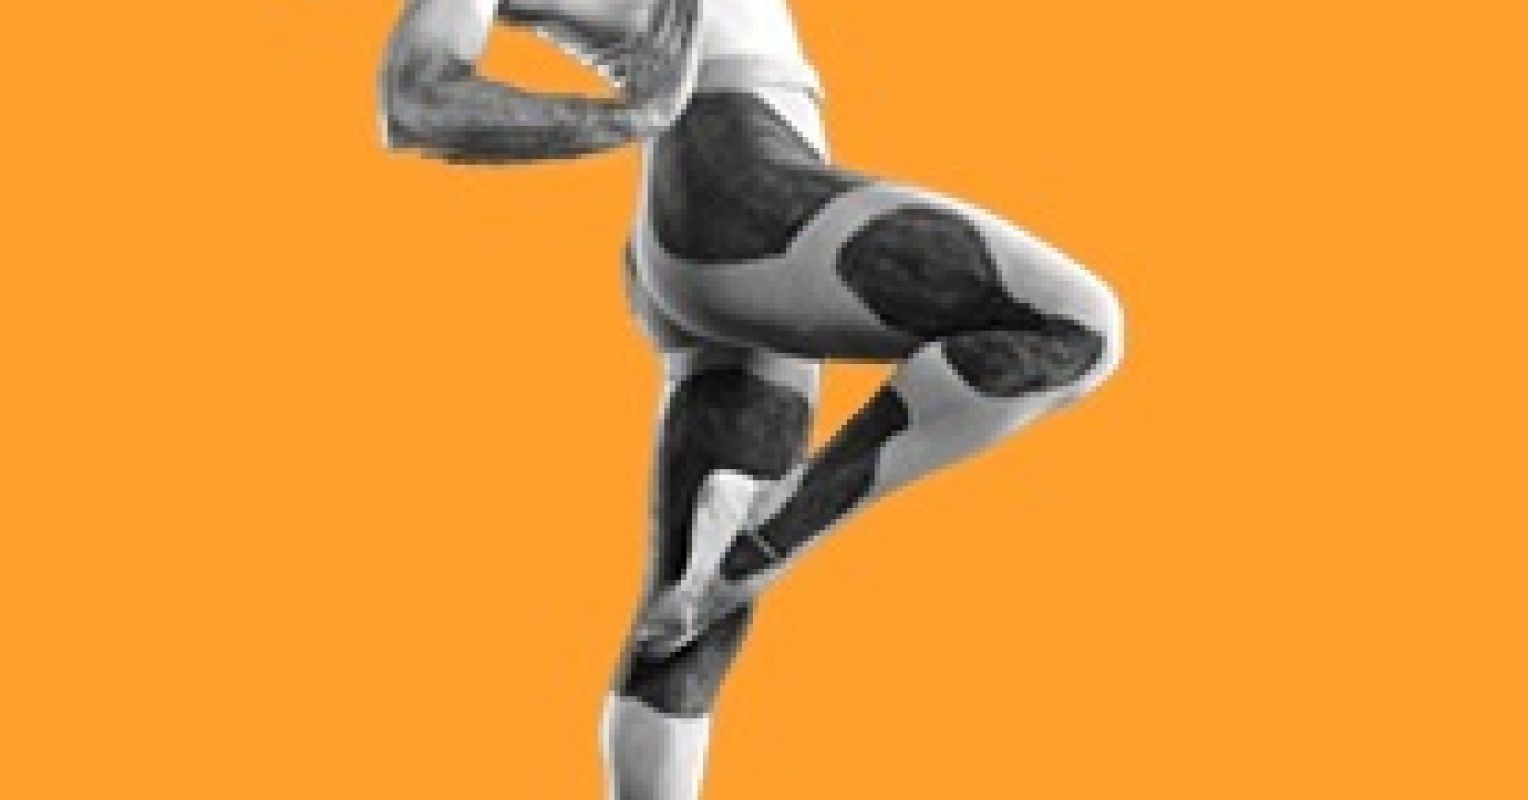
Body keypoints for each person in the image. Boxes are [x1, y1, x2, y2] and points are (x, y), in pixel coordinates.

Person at [378, 1, 1124, 797]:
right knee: (1074, 326)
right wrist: (629, 117)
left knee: (687, 626)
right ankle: (764, 534)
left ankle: (736, 556)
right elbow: (415, 98)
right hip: (738, 187)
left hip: (740, 196)